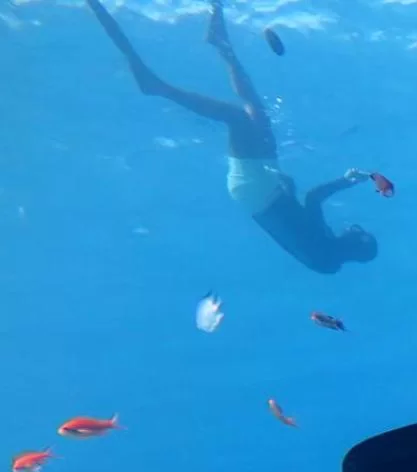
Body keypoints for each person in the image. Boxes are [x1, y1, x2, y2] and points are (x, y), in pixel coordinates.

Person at [86, 0, 378, 275]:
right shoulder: (328, 259)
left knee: (239, 118)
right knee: (257, 113)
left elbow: (313, 201)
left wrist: (347, 181)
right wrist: (287, 189)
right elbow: (295, 226)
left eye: (359, 233)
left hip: (259, 190)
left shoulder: (330, 256)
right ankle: (220, 44)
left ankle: (157, 86)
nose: (354, 228)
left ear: (358, 245)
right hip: (261, 193)